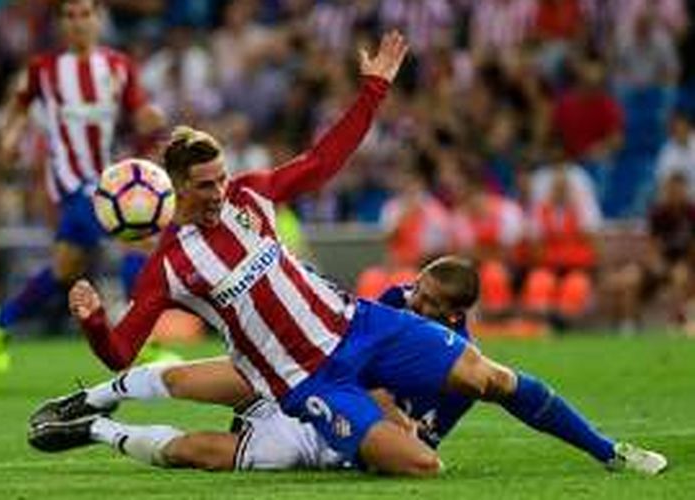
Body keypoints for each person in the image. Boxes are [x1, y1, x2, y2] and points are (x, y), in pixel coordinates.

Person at [35, 32, 665, 476]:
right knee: (421, 466)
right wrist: (91, 316)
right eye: (206, 185)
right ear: (172, 189)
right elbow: (121, 347)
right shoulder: (171, 266)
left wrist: (372, 93)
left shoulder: (251, 196)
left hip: (360, 323)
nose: (221, 189)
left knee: (488, 376)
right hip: (310, 379)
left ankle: (610, 452)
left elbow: (322, 162)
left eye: (222, 176)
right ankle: (100, 414)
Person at [29, 257, 661, 474]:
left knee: (204, 455)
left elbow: (519, 393)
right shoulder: (390, 307)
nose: (411, 300)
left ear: (453, 319)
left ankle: (95, 432)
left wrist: (602, 448)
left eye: (429, 304)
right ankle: (102, 395)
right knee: (219, 372)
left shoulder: (460, 367)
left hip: (328, 437)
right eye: (416, 290)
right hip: (318, 382)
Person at [0, 0, 166, 373]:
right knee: (139, 240)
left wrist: (149, 118)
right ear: (61, 23)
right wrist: (11, 137)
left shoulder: (118, 66)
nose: (78, 23)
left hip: (107, 176)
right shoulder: (43, 68)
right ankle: (144, 343)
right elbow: (18, 105)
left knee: (66, 267)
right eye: (70, 15)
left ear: (98, 19)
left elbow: (140, 110)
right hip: (71, 180)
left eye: (85, 14)